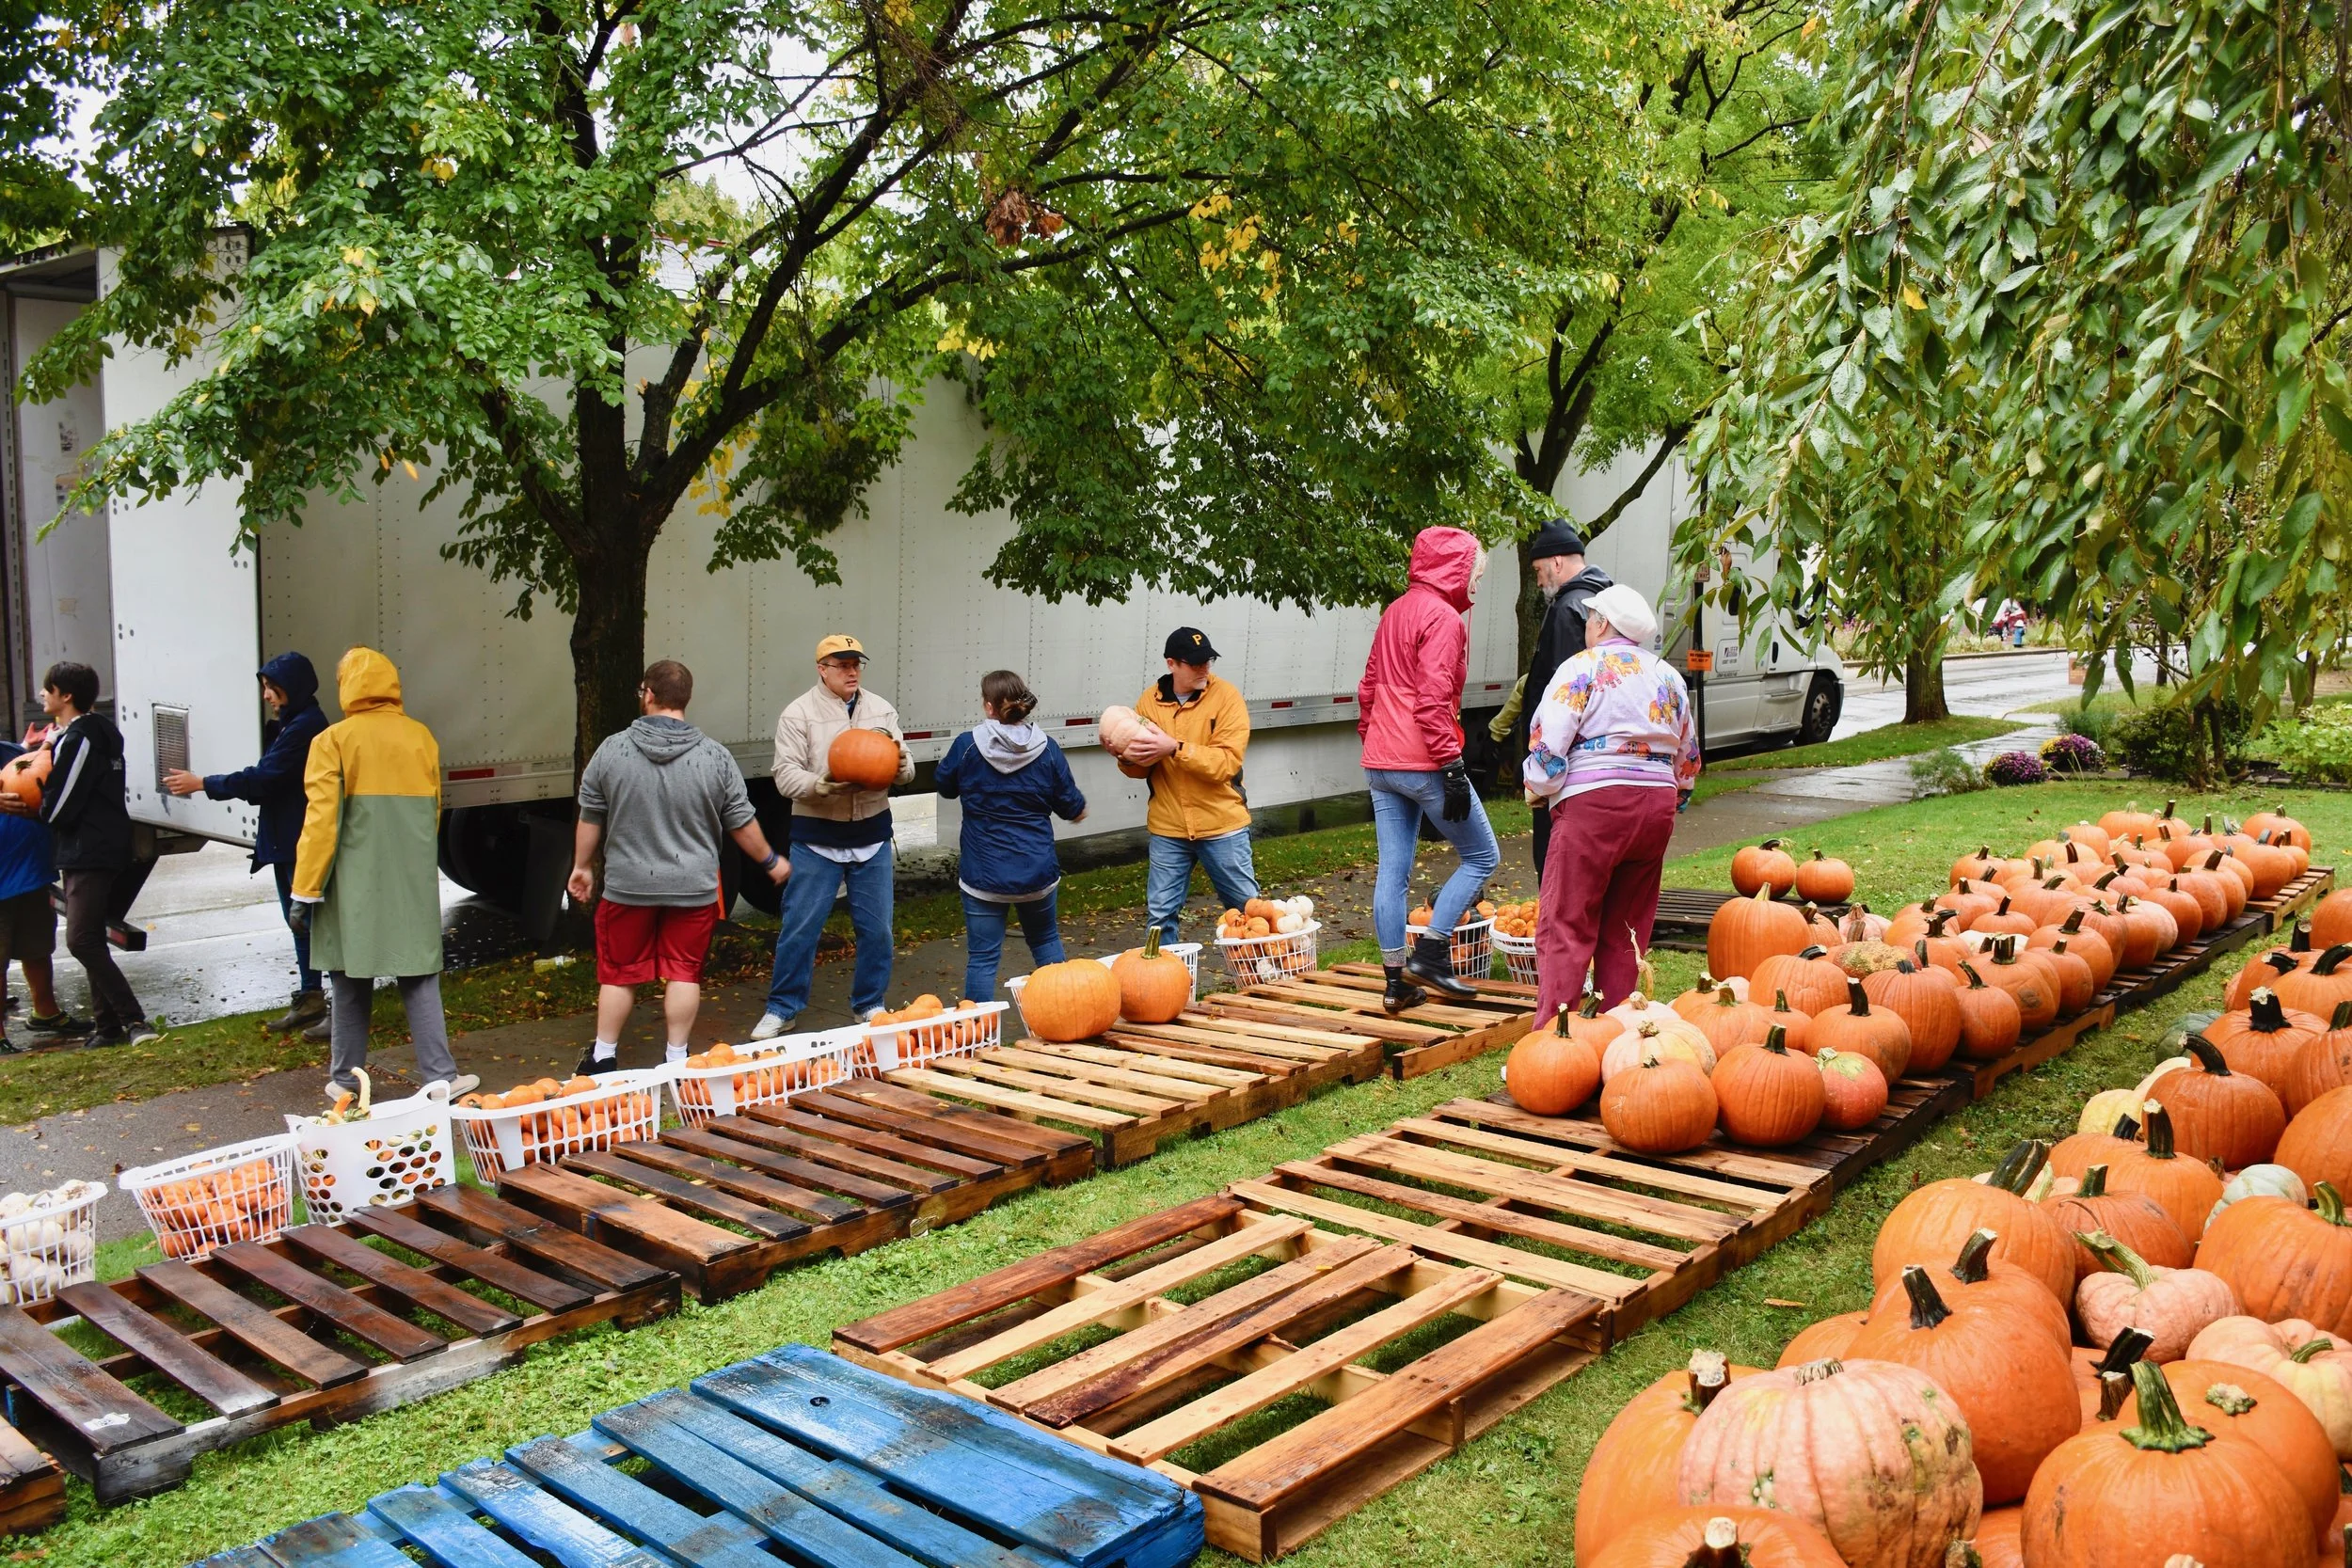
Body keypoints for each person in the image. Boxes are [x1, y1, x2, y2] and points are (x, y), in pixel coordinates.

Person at [568, 660, 787, 1072]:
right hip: (693, 888)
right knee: (684, 973)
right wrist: (770, 860)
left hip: (628, 888)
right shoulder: (715, 756)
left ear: (648, 694)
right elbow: (741, 822)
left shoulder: (611, 750)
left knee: (618, 973)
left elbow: (590, 815)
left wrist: (582, 866)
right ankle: (676, 1058)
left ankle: (603, 1057)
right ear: (685, 698)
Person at [290, 648, 476, 1101]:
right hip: (409, 879)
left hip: (351, 881)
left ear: (347, 687)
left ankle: (345, 1081)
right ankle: (441, 1078)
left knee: (348, 978)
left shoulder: (332, 741)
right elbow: (433, 811)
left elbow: (321, 823)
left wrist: (305, 890)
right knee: (419, 975)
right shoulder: (420, 737)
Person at [1523, 584, 1700, 1017]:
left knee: (1567, 923)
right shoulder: (1668, 675)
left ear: (1601, 624)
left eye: (1590, 619)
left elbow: (1550, 741)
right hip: (1655, 808)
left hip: (1593, 806)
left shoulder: (1581, 667)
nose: (1587, 626)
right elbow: (1688, 756)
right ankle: (1617, 1031)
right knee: (1627, 929)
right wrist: (1677, 795)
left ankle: (1557, 1036)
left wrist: (1538, 785)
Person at [1359, 528, 1502, 1011]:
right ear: (1455, 569)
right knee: (1481, 856)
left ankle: (1395, 983)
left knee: (1392, 873)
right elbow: (1433, 701)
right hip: (1424, 761)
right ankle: (1433, 953)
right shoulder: (1443, 618)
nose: (1477, 583)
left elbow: (1368, 689)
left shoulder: (1394, 611)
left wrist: (1374, 739)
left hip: (1381, 761)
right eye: (1476, 572)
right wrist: (1453, 767)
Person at [162, 653, 330, 1035]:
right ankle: (310, 998)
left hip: (298, 839)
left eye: (273, 688)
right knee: (299, 922)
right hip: (288, 838)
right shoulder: (293, 724)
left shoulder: (306, 726)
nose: (267, 695)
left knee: (308, 922)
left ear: (293, 687)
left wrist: (203, 783)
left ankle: (324, 1003)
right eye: (265, 688)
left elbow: (264, 777)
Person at [755, 634, 913, 1037]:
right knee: (800, 928)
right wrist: (818, 785)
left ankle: (870, 1003)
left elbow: (905, 764)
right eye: (842, 665)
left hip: (872, 836)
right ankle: (782, 1008)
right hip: (816, 840)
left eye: (856, 664)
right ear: (822, 669)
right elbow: (785, 774)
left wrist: (900, 768)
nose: (851, 671)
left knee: (877, 931)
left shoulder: (881, 709)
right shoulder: (798, 714)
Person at [25, 662, 157, 1049]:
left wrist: (39, 809)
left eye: (48, 689)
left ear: (66, 696)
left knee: (81, 939)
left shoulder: (82, 738)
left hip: (89, 851)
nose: (42, 695)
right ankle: (107, 1028)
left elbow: (63, 801)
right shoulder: (85, 734)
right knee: (93, 936)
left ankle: (134, 1021)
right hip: (95, 848)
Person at [935, 671, 1088, 1002]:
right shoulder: (1048, 749)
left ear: (989, 707)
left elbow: (945, 786)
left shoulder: (966, 746)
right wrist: (1078, 809)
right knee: (1046, 941)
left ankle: (979, 1029)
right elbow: (1071, 806)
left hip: (983, 874)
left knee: (983, 958)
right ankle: (1068, 1012)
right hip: (1037, 872)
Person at [1117, 627, 1258, 942]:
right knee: (1160, 917)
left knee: (1246, 914)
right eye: (1195, 663)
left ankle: (1261, 972)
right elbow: (1140, 770)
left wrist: (1175, 748)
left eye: (1208, 660)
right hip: (1169, 828)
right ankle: (1162, 973)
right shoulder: (1149, 702)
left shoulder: (1226, 697)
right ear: (1172, 664)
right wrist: (1126, 757)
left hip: (1222, 825)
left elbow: (1226, 763)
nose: (1204, 668)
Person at [1496, 521, 1614, 885]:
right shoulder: (1602, 602)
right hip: (1597, 760)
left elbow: (1564, 699)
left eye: (1538, 570)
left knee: (1552, 861)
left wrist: (1541, 768)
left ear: (1557, 562)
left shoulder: (1567, 609)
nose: (1537, 580)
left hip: (1565, 764)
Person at [0, 736, 71, 1051]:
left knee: (37, 947)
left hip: (30, 872)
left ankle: (45, 1012)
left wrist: (32, 748)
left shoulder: (10, 751)